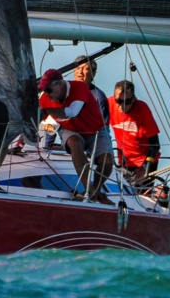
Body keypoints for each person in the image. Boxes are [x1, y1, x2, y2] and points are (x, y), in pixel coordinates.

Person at [37, 68, 114, 204]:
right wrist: (20, 141)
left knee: (107, 161)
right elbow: (33, 121)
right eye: (44, 90)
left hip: (96, 129)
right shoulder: (44, 99)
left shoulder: (79, 88)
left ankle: (95, 190)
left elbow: (73, 112)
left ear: (60, 84)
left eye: (48, 90)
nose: (46, 94)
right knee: (75, 143)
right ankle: (89, 191)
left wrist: (47, 111)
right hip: (70, 129)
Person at [42, 55, 108, 149]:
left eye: (85, 69)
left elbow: (102, 128)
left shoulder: (98, 96)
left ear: (93, 73)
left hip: (90, 145)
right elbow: (53, 118)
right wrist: (48, 145)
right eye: (77, 68)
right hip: (68, 144)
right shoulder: (62, 91)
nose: (80, 72)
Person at [108, 80, 161, 186]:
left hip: (145, 161)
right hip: (124, 162)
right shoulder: (109, 103)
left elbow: (155, 144)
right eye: (118, 101)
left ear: (134, 99)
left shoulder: (142, 109)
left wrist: (144, 167)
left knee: (142, 193)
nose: (122, 105)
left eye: (126, 102)